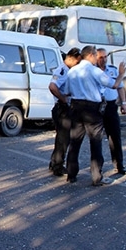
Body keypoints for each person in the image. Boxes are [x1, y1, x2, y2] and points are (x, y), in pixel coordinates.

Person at [64, 45, 126, 186]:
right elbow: (114, 85)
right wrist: (121, 74)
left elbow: (66, 91)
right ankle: (96, 176)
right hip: (92, 108)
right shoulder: (94, 71)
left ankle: (71, 174)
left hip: (76, 106)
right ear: (91, 55)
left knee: (75, 141)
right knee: (95, 142)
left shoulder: (72, 71)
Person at [48, 47, 81, 177]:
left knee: (61, 138)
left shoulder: (67, 70)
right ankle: (57, 166)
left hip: (63, 108)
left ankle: (54, 162)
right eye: (77, 62)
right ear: (71, 58)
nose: (78, 65)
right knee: (63, 139)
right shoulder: (63, 70)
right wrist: (63, 99)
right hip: (62, 109)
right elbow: (52, 86)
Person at [97, 48, 126, 175]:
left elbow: (120, 87)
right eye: (100, 57)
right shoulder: (93, 71)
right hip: (97, 106)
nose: (103, 59)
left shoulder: (112, 70)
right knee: (96, 138)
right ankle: (97, 167)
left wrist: (124, 103)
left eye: (105, 57)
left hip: (110, 105)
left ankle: (119, 164)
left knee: (115, 136)